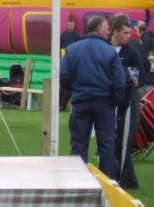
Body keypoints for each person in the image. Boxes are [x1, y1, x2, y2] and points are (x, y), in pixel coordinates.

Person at [59, 15, 125, 179]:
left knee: (79, 144)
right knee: (106, 145)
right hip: (105, 102)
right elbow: (120, 81)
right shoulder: (110, 51)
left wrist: (73, 89)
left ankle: (78, 181)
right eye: (106, 28)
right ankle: (107, 183)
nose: (108, 31)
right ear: (98, 29)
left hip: (80, 101)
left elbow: (63, 75)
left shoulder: (72, 49)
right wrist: (115, 101)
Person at [109, 14, 143, 189]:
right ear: (114, 32)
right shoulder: (105, 49)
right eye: (125, 33)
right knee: (108, 140)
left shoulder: (132, 53)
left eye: (130, 33)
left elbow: (139, 79)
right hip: (107, 102)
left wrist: (130, 80)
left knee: (123, 142)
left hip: (127, 102)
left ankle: (121, 180)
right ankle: (124, 179)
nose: (129, 36)